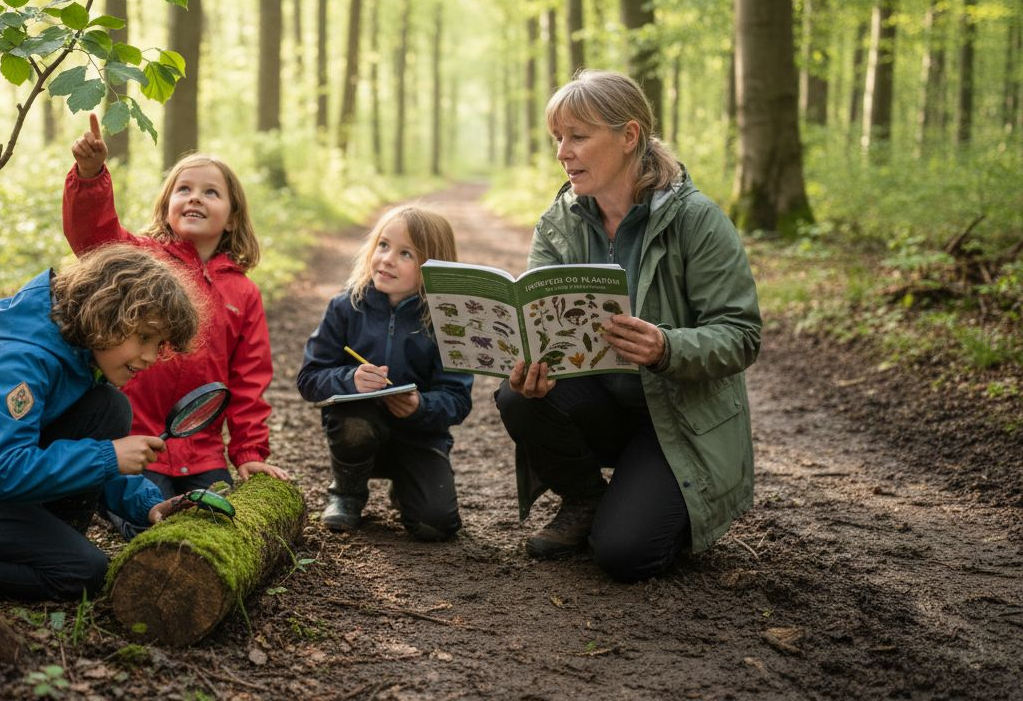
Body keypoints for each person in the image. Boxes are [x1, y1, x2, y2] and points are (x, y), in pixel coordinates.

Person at [496, 69, 762, 582]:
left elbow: (742, 334)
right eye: (558, 138)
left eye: (578, 136)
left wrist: (667, 346)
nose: (563, 152)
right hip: (599, 403)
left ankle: (655, 504)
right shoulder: (560, 223)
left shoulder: (697, 220)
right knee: (517, 398)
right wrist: (529, 363)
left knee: (623, 555)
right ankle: (586, 498)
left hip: (678, 418)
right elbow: (536, 318)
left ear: (629, 136)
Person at [0, 244, 201, 601]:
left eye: (160, 343)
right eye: (144, 337)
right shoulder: (18, 360)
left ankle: (49, 538)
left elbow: (74, 444)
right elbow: (1, 471)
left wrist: (146, 505)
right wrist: (108, 456)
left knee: (110, 407)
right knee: (82, 573)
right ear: (105, 313)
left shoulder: (76, 355)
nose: (151, 356)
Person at [62, 115, 289, 498]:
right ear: (167, 206)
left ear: (232, 218)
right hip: (135, 441)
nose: (195, 197)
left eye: (211, 192)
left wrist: (249, 451)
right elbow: (93, 238)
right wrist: (90, 174)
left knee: (214, 517)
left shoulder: (244, 292)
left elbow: (249, 380)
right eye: (183, 189)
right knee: (148, 514)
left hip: (202, 453)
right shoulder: (140, 260)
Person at [296, 206, 474, 541]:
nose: (387, 259)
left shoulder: (448, 320)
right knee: (355, 423)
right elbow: (310, 378)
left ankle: (407, 486)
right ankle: (347, 492)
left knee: (435, 526)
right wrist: (350, 381)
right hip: (358, 427)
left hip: (420, 437)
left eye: (405, 253)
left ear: (433, 267)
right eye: (383, 245)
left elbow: (457, 399)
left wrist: (421, 405)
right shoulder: (346, 307)